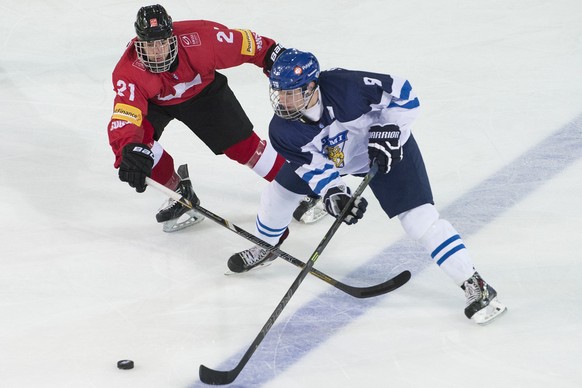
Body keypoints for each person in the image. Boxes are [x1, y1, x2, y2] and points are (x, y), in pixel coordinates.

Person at [227, 49, 507, 324]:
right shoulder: (282, 130)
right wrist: (334, 193)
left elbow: (404, 92)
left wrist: (390, 130)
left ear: (312, 86)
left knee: (419, 220)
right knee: (279, 193)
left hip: (385, 153)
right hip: (337, 160)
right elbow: (313, 168)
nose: (284, 102)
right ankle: (267, 246)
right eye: (280, 93)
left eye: (292, 93)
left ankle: (474, 283)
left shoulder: (348, 88)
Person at [106, 4, 323, 232]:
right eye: (150, 45)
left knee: (245, 147)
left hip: (203, 95)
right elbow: (126, 115)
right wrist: (128, 147)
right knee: (136, 149)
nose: (157, 51)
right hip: (155, 103)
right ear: (138, 44)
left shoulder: (203, 39)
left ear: (173, 38)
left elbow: (255, 47)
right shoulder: (129, 71)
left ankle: (303, 187)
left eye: (162, 42)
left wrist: (277, 60)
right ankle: (178, 192)